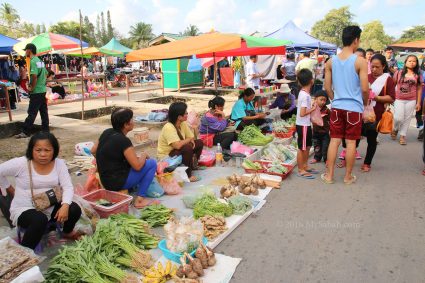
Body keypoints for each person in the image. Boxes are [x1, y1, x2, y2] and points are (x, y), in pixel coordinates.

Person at [0, 132, 82, 249]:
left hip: (50, 205)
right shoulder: (21, 163)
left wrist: (65, 205)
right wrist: (8, 187)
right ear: (31, 150)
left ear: (54, 150)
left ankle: (67, 232)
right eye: (38, 150)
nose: (43, 154)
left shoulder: (59, 164)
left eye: (47, 150)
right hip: (25, 208)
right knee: (39, 220)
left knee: (74, 208)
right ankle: (26, 252)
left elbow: (67, 186)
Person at [322, 26, 369, 185]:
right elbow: (364, 88)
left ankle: (329, 176)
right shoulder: (360, 61)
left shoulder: (330, 61)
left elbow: (327, 88)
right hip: (354, 108)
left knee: (334, 140)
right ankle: (347, 177)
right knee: (350, 143)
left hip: (337, 106)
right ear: (356, 40)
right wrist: (365, 104)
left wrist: (336, 99)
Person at [92, 108, 158, 208]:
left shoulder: (107, 132)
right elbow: (137, 167)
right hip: (116, 182)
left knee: (135, 161)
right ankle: (140, 200)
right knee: (152, 163)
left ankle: (131, 189)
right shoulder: (123, 140)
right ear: (126, 125)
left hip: (105, 179)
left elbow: (93, 150)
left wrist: (104, 162)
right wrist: (144, 154)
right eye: (132, 119)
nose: (133, 121)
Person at [360, 54, 396, 172]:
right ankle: (347, 156)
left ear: (383, 66)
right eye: (372, 66)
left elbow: (391, 98)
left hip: (376, 114)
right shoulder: (366, 77)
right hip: (360, 112)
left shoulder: (387, 79)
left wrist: (376, 98)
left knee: (371, 139)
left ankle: (367, 163)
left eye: (377, 67)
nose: (374, 69)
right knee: (354, 137)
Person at [157, 102, 203, 182]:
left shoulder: (183, 123)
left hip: (176, 152)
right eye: (186, 113)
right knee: (187, 147)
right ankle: (187, 175)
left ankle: (193, 166)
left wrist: (190, 138)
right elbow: (177, 145)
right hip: (167, 157)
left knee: (199, 143)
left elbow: (191, 136)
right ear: (179, 117)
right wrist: (188, 140)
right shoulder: (168, 127)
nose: (187, 115)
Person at [15, 43, 48, 139]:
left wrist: (31, 88)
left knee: (32, 112)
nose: (25, 52)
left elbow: (34, 76)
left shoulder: (33, 61)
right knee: (43, 112)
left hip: (36, 91)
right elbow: (45, 74)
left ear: (29, 50)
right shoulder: (40, 61)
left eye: (26, 50)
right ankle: (46, 131)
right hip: (42, 90)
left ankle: (25, 131)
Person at [391, 55, 423, 145]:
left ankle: (402, 136)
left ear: (416, 63)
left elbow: (419, 88)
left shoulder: (418, 75)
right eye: (409, 61)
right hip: (399, 99)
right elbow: (393, 84)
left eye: (414, 61)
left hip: (411, 100)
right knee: (398, 118)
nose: (412, 63)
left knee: (407, 119)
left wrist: (418, 102)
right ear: (405, 62)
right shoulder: (399, 73)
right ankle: (395, 128)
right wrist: (390, 97)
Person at [295, 69, 318, 179]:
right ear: (311, 81)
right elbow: (303, 113)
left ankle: (305, 165)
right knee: (302, 147)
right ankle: (301, 169)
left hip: (305, 124)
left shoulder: (305, 94)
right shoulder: (305, 95)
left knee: (307, 146)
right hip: (303, 125)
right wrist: (313, 109)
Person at [310, 90, 331, 165]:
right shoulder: (312, 108)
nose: (323, 102)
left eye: (324, 100)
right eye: (321, 99)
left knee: (325, 147)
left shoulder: (326, 110)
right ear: (315, 99)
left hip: (325, 133)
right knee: (317, 146)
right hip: (315, 132)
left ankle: (326, 159)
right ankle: (317, 158)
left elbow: (331, 119)